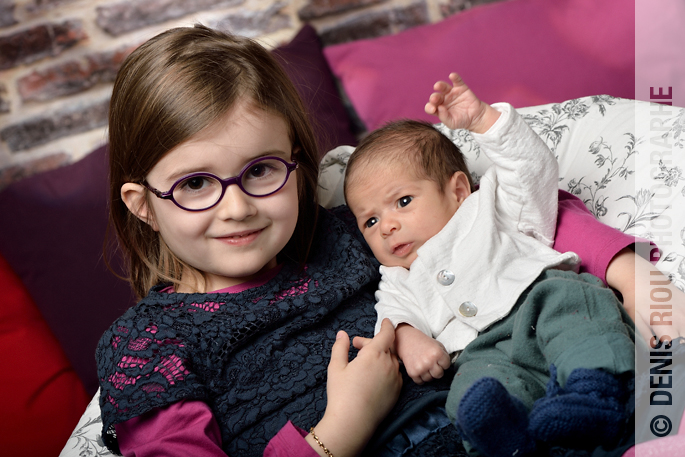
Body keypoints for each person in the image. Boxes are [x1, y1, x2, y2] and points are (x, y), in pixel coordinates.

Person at [97, 24, 678, 457]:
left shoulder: (352, 232)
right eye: (196, 184)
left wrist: (629, 273)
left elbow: (498, 219)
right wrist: (338, 429)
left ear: (297, 165)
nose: (238, 206)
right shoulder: (147, 345)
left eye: (261, 170)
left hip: (508, 419)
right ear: (143, 205)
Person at [343, 73, 635, 457]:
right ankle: (514, 441)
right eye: (370, 221)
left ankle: (597, 393)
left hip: (542, 300)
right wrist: (407, 337)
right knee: (471, 393)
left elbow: (531, 171)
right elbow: (391, 317)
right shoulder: (398, 278)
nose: (388, 226)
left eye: (402, 202)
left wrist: (485, 121)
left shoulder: (490, 209)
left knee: (579, 316)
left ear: (458, 190)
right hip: (482, 353)